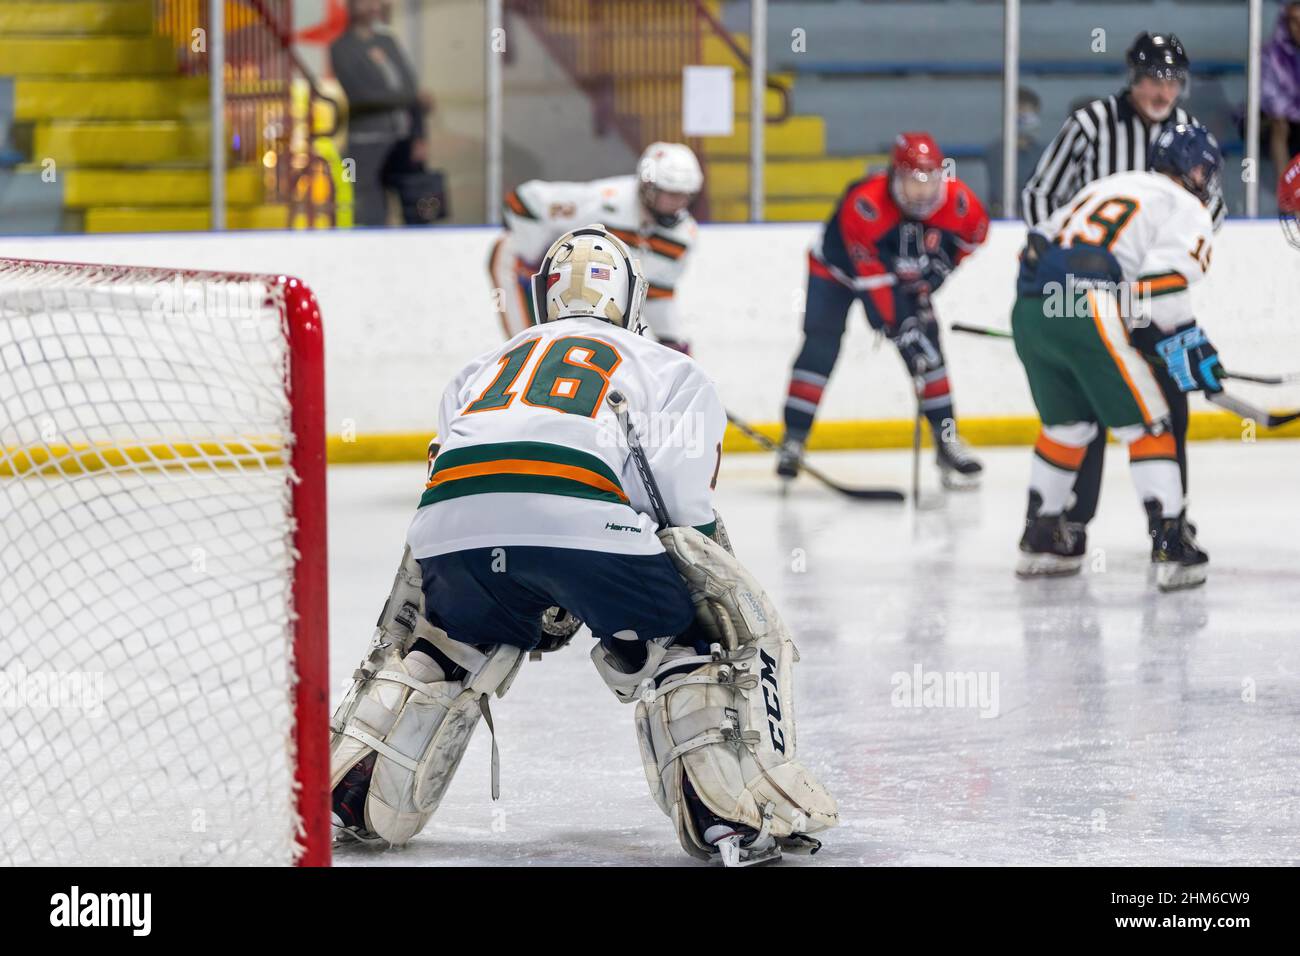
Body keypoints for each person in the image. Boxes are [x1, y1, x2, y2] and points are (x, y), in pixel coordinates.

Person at [328, 225, 838, 866]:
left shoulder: (483, 365)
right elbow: (681, 516)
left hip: (450, 532)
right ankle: (726, 815)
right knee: (686, 641)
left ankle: (357, 783)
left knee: (448, 646)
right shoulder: (670, 368)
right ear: (632, 299)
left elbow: (454, 479)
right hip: (581, 521)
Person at [1020, 32, 1224, 557]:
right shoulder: (1092, 123)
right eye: (1154, 77)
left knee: (1156, 407)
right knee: (1130, 411)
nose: (1163, 89)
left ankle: (1162, 516)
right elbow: (1042, 192)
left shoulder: (1191, 134)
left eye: (1173, 79)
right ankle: (1092, 521)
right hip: (1108, 294)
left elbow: (1209, 209)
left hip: (1088, 292)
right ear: (1133, 76)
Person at [776, 131, 990, 488]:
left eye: (929, 182)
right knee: (820, 346)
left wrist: (941, 269)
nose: (921, 193)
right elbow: (872, 279)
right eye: (911, 183)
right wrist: (898, 324)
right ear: (894, 176)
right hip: (836, 272)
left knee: (928, 351)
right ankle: (793, 440)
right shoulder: (866, 204)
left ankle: (947, 441)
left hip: (896, 274)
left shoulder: (960, 201)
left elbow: (974, 237)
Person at [490, 143, 703, 353]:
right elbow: (524, 201)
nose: (678, 203)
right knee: (531, 350)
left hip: (582, 293)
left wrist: (670, 339)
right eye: (670, 194)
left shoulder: (683, 236)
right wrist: (536, 260)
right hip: (523, 271)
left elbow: (657, 290)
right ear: (648, 187)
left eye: (685, 195)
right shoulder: (605, 202)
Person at [330, 0, 434, 226]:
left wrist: (419, 135)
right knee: (369, 211)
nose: (372, 6)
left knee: (416, 209)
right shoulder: (341, 47)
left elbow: (410, 85)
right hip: (367, 143)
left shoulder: (387, 42)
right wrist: (408, 99)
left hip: (402, 138)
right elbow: (362, 95)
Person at [985, 86, 1044, 218]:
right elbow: (1002, 194)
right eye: (1021, 111)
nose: (1026, 119)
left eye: (1030, 113)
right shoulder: (997, 151)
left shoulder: (1043, 152)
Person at [1262, 1, 1300, 189]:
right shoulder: (1272, 54)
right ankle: (1288, 193)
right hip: (1284, 123)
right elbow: (1273, 102)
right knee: (1279, 125)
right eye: (1294, 21)